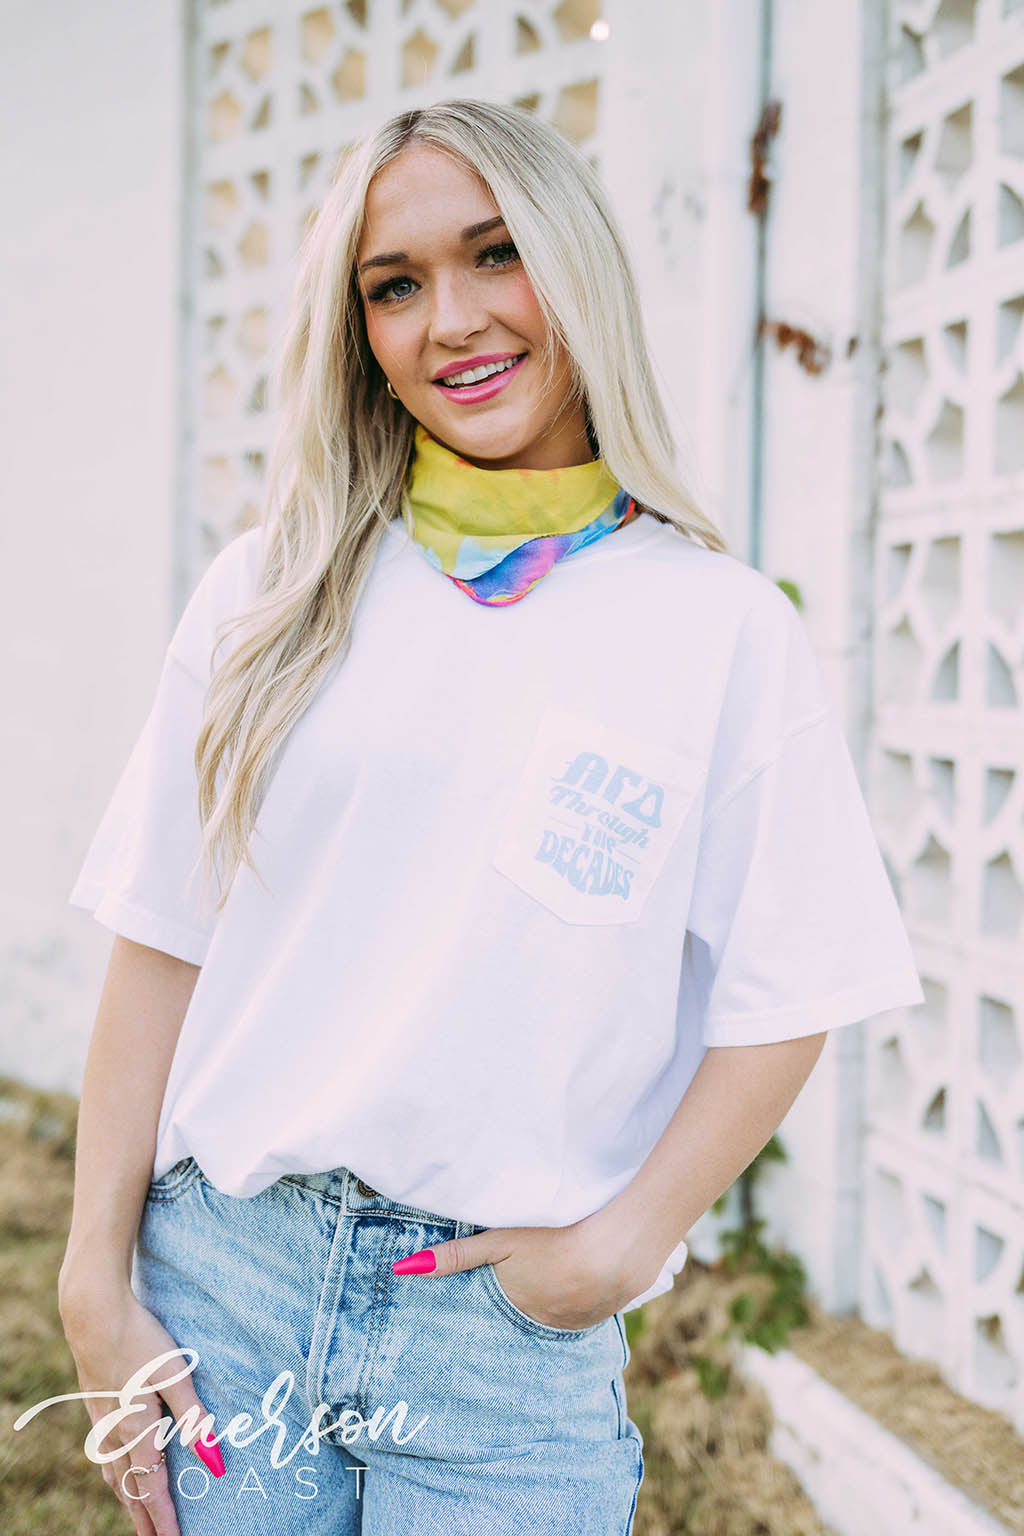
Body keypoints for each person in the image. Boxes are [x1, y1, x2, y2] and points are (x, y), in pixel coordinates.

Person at [57, 98, 924, 1536]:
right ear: (360, 334)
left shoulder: (717, 630)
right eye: (394, 286)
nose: (451, 320)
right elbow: (161, 936)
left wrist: (622, 1248)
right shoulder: (270, 592)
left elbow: (793, 993)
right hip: (229, 1289)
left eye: (495, 254)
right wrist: (95, 1275)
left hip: (501, 1345)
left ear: (574, 263)